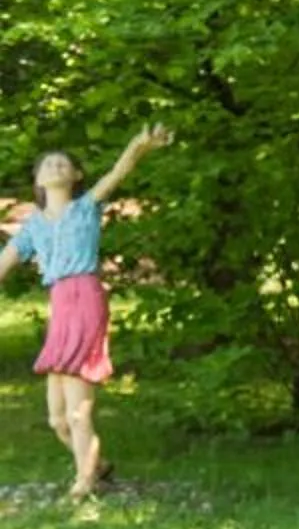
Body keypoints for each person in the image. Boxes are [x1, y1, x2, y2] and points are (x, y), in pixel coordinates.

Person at [0, 125, 173, 499]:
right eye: (48, 164)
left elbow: (117, 172)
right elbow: (3, 264)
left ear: (77, 175)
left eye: (63, 163)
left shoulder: (85, 207)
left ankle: (84, 484)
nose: (55, 166)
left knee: (78, 413)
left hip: (84, 297)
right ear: (38, 179)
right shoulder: (32, 227)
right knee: (58, 420)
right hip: (60, 304)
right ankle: (98, 465)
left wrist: (139, 143)